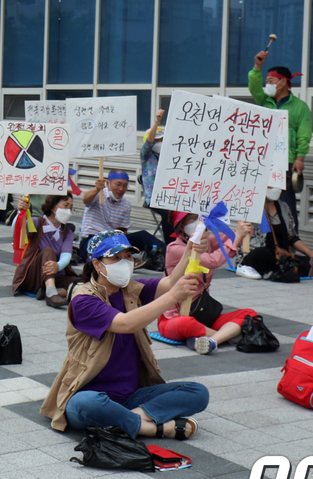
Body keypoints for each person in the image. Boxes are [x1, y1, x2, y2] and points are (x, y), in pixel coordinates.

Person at [40, 230, 209, 439]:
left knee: (198, 393)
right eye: (116, 258)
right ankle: (152, 428)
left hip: (132, 396)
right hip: (91, 395)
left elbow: (169, 283)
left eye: (128, 256)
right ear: (97, 264)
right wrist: (174, 295)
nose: (125, 262)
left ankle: (127, 420)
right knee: (83, 404)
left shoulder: (130, 290)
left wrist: (189, 253)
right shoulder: (83, 300)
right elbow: (126, 323)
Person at [157, 213, 257, 354]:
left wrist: (243, 228)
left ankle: (211, 340)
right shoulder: (175, 248)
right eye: (191, 218)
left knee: (249, 314)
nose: (198, 222)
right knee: (186, 323)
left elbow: (229, 238)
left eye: (199, 217)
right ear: (181, 226)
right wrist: (236, 238)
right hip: (174, 318)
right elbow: (213, 261)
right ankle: (225, 335)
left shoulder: (207, 242)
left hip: (202, 315)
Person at [250, 50, 313, 228]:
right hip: (263, 159)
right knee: (261, 201)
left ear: (283, 82)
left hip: (286, 162)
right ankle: (264, 237)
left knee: (286, 203)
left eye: (271, 81)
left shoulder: (300, 107)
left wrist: (300, 158)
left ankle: (290, 239)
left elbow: (304, 134)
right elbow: (253, 87)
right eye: (266, 81)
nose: (267, 85)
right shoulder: (264, 101)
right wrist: (257, 67)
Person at [78, 171, 164, 265]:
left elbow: (123, 230)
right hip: (93, 240)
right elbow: (86, 200)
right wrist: (97, 189)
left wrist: (124, 244)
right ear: (108, 183)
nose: (121, 189)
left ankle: (168, 254)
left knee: (143, 236)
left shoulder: (126, 204)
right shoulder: (98, 194)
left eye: (125, 186)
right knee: (105, 243)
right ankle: (121, 259)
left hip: (114, 240)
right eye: (118, 184)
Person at [13, 195, 79, 308]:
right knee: (48, 251)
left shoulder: (67, 231)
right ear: (53, 206)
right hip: (34, 276)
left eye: (71, 207)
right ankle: (51, 293)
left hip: (56, 275)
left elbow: (66, 255)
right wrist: (21, 211)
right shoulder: (37, 222)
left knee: (81, 282)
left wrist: (58, 266)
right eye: (65, 205)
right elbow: (17, 230)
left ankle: (47, 291)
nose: (68, 210)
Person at [237, 186, 313, 280]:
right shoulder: (251, 207)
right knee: (263, 254)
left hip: (282, 256)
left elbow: (292, 237)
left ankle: (282, 269)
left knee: (310, 263)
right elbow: (246, 240)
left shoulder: (284, 207)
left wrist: (311, 254)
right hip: (261, 255)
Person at [140, 110, 174, 240]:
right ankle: (170, 244)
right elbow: (149, 142)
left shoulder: (168, 157)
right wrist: (157, 121)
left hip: (170, 197)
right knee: (168, 214)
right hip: (153, 198)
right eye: (157, 140)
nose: (159, 142)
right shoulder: (146, 156)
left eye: (161, 139)